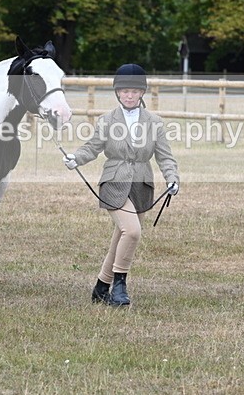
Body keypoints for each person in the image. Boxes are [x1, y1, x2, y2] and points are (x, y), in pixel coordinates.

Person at [63, 63, 179, 307]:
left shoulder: (155, 122)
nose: (129, 96)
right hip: (114, 182)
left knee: (120, 238)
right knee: (132, 231)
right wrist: (76, 158)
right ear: (117, 92)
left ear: (142, 93)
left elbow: (165, 156)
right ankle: (119, 285)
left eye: (134, 91)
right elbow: (92, 147)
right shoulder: (107, 120)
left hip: (141, 186)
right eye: (125, 91)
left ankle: (100, 287)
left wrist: (172, 178)